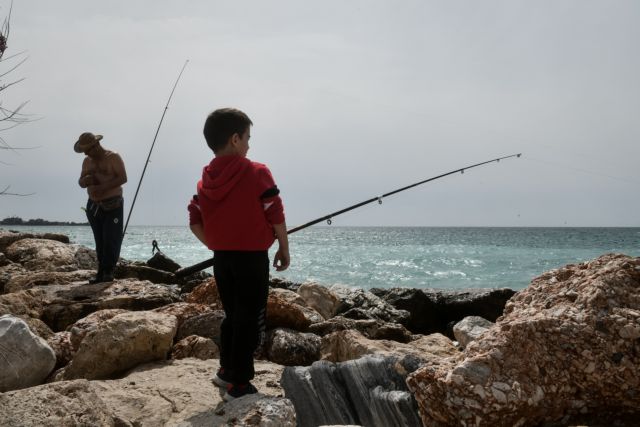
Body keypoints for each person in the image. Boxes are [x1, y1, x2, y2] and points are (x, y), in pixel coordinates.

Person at [188, 108, 290, 401]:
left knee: (233, 314)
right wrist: (283, 247)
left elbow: (194, 218)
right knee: (249, 317)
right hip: (252, 259)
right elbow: (275, 211)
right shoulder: (257, 172)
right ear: (235, 139)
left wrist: (215, 242)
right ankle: (240, 383)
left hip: (222, 259)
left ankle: (225, 371)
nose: (248, 145)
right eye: (247, 138)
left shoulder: (205, 180)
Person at [75, 132, 127, 283]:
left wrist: (103, 186)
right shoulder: (86, 161)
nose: (86, 153)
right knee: (99, 240)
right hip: (93, 205)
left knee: (111, 238)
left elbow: (123, 178)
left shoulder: (113, 157)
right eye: (84, 150)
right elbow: (80, 182)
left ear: (96, 145)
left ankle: (109, 271)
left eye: (88, 149)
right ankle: (101, 272)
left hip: (113, 204)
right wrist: (84, 181)